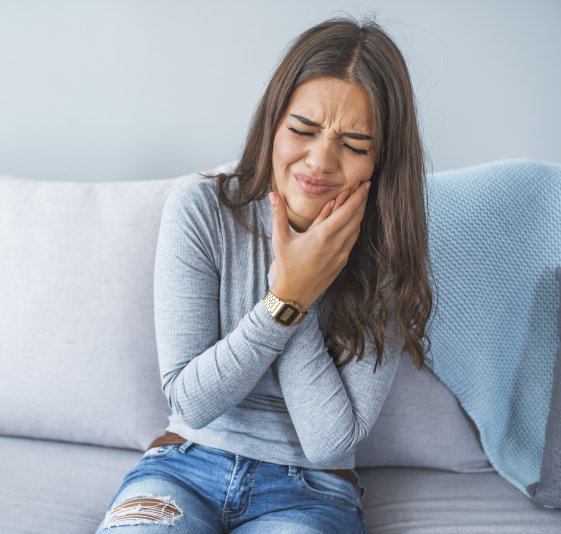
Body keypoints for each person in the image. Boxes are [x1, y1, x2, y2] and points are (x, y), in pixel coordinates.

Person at [96, 16, 432, 534]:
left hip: (312, 492)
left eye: (355, 144)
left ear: (380, 162)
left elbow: (330, 443)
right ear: (272, 123)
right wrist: (286, 297)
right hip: (183, 466)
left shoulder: (388, 250)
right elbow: (190, 400)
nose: (319, 160)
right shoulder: (200, 209)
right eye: (302, 130)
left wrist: (304, 281)